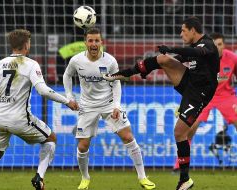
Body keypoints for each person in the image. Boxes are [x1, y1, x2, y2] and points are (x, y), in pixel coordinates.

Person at [103, 16, 220, 190]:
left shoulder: (207, 45)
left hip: (200, 94)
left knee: (179, 133)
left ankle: (185, 179)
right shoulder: (196, 46)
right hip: (190, 82)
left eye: (183, 30)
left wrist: (171, 49)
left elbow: (196, 53)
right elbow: (182, 58)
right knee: (163, 59)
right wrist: (151, 66)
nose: (181, 34)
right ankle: (127, 73)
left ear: (193, 30)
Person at [63, 27, 156, 190]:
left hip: (108, 103)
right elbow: (67, 75)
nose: (93, 44)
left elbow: (116, 82)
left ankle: (142, 177)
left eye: (96, 40)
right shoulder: (76, 60)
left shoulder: (110, 61)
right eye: (90, 40)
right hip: (87, 106)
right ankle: (85, 178)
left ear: (101, 42)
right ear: (85, 42)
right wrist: (69, 96)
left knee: (128, 137)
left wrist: (117, 106)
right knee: (83, 146)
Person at [0, 29, 76, 190]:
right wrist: (67, 101)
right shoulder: (31, 64)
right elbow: (43, 91)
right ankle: (39, 177)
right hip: (20, 119)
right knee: (51, 139)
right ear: (26, 45)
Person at [173, 32, 237, 171]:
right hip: (204, 95)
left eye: (220, 44)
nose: (217, 47)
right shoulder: (200, 57)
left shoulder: (232, 58)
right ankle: (179, 164)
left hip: (226, 96)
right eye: (214, 45)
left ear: (224, 45)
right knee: (189, 127)